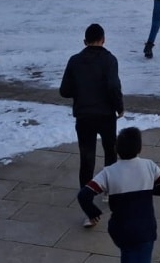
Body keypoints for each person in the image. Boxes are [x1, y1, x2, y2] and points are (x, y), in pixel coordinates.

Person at [78, 127, 160, 262]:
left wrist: (93, 213)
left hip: (120, 230)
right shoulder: (149, 166)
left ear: (116, 149)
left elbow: (83, 195)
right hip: (145, 230)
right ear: (139, 148)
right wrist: (147, 189)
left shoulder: (108, 172)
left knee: (128, 254)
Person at [60, 23, 124, 226]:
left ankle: (89, 210)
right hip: (106, 115)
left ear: (84, 42)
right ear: (103, 40)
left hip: (84, 116)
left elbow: (65, 90)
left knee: (86, 158)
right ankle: (109, 192)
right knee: (110, 152)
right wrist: (119, 107)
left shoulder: (75, 61)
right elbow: (113, 86)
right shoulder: (109, 60)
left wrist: (82, 89)